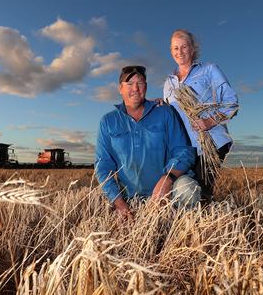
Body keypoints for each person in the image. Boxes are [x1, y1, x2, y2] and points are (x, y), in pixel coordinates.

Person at [95, 65, 201, 219]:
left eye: (141, 83)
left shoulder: (165, 112)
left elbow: (184, 151)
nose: (135, 88)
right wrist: (119, 203)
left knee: (187, 188)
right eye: (129, 84)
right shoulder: (108, 121)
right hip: (131, 197)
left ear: (146, 86)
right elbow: (103, 166)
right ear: (120, 88)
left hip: (168, 190)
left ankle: (184, 231)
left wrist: (168, 179)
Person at [162, 29, 239, 201]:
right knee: (185, 189)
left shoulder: (209, 70)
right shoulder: (168, 83)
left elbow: (231, 102)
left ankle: (203, 225)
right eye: (175, 48)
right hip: (186, 149)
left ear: (192, 49)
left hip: (210, 143)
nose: (180, 52)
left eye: (184, 47)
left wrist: (209, 121)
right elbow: (172, 115)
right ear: (171, 51)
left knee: (201, 191)